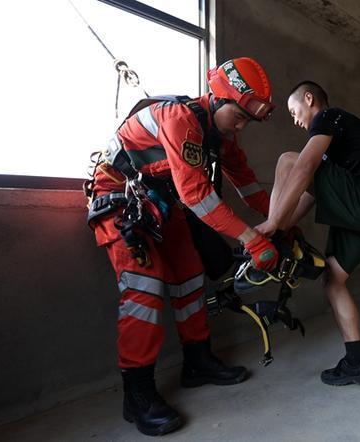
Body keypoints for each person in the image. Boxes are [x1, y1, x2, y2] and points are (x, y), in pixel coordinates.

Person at [86, 58, 279, 436]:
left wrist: (282, 219)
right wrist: (252, 239)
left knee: (190, 278)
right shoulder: (179, 119)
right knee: (144, 290)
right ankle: (137, 394)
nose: (240, 127)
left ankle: (198, 362)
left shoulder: (220, 136)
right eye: (238, 117)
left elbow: (249, 185)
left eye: (246, 122)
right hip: (120, 201)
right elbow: (196, 195)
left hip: (157, 203)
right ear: (219, 100)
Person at [256, 81, 360, 386]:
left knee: (288, 160)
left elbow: (303, 167)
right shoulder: (333, 153)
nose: (295, 119)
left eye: (295, 111)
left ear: (310, 99)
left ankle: (273, 235)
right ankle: (357, 362)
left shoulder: (328, 117)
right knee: (333, 282)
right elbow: (313, 190)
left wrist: (273, 225)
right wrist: (286, 225)